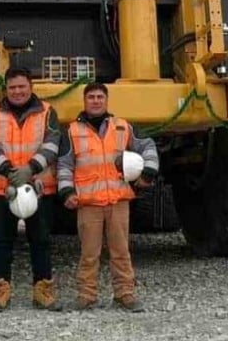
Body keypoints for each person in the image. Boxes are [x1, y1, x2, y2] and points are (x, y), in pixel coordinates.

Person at [57, 82, 159, 312]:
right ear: (84, 101)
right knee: (89, 254)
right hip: (89, 204)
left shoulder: (123, 127)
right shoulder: (72, 131)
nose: (95, 100)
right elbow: (65, 165)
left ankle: (125, 294)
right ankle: (86, 296)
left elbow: (148, 146)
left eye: (99, 97)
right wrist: (67, 192)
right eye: (91, 97)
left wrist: (149, 173)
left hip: (118, 201)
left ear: (106, 100)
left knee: (121, 252)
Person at [0, 67, 64, 312]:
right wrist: (10, 172)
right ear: (6, 89)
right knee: (1, 242)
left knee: (41, 241)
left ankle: (43, 291)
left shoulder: (48, 112)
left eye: (21, 87)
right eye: (12, 87)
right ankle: (0, 291)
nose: (17, 91)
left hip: (40, 188)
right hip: (2, 188)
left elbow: (52, 142)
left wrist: (30, 170)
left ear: (31, 87)